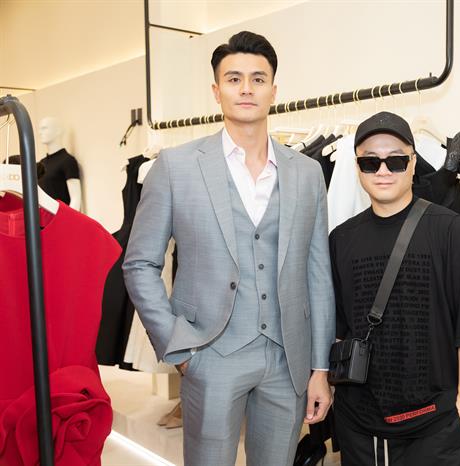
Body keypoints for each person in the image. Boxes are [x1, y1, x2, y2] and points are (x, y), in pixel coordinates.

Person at [123, 31, 335, 466]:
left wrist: (320, 367)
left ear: (273, 90)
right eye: (234, 79)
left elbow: (318, 274)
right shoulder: (176, 166)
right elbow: (140, 263)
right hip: (209, 354)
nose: (246, 89)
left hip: (287, 359)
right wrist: (178, 346)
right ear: (216, 91)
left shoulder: (307, 172)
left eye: (258, 79)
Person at [330, 111, 460, 465]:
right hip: (359, 425)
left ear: (412, 163)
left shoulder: (450, 230)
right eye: (370, 162)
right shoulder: (341, 239)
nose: (383, 171)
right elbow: (339, 327)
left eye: (395, 160)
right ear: (357, 167)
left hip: (433, 423)